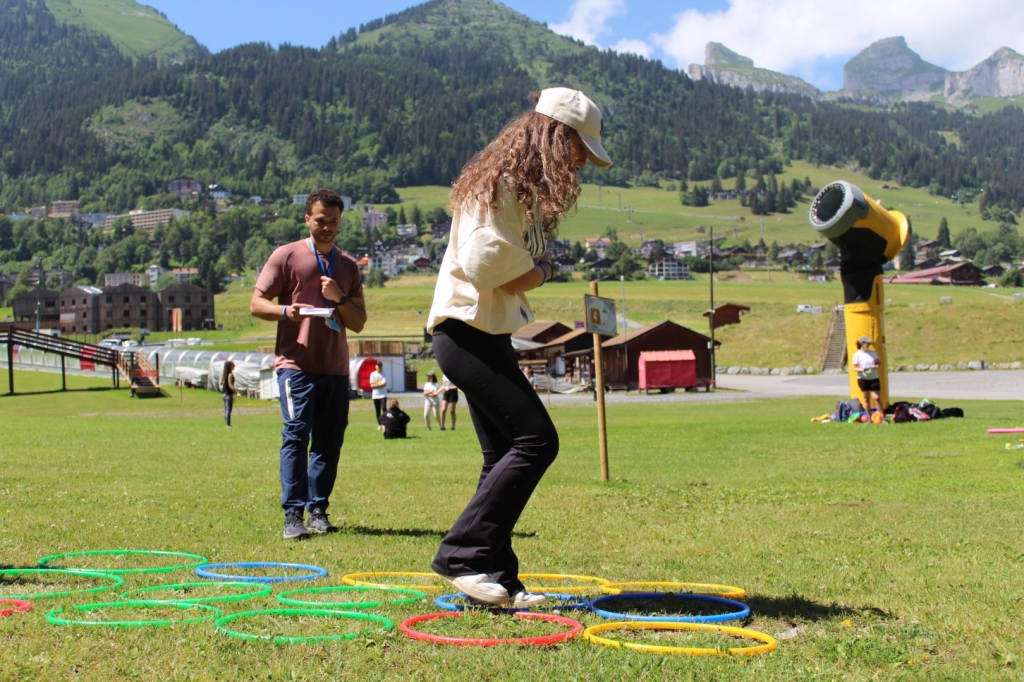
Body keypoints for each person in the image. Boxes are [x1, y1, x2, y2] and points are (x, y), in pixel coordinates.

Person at [426, 87, 611, 606]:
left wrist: (531, 271)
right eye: (579, 149)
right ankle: (462, 554)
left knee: (503, 454)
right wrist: (543, 271)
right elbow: (486, 264)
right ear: (557, 137)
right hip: (466, 332)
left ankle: (498, 579)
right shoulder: (502, 184)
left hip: (483, 333)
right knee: (537, 441)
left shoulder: (515, 186)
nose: (580, 163)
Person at [250, 188, 367, 540]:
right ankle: (292, 515)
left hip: (334, 366)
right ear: (307, 219)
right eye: (321, 220)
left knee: (329, 442)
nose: (327, 227)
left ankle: (318, 510)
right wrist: (286, 310)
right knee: (297, 433)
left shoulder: (346, 266)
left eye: (333, 221)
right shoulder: (286, 256)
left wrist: (339, 297)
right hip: (295, 363)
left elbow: (358, 321)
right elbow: (257, 303)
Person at [852, 335, 881, 418]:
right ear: (862, 343)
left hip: (874, 377)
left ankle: (882, 417)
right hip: (863, 379)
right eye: (866, 343)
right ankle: (869, 417)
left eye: (869, 343)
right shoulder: (857, 355)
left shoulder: (873, 353)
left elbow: (879, 363)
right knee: (866, 398)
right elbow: (854, 367)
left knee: (877, 397)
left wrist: (876, 366)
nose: (868, 345)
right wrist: (862, 369)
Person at [369, 361, 388, 431]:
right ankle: (379, 424)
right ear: (376, 366)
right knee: (377, 410)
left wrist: (376, 384)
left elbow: (384, 385)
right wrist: (379, 385)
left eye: (380, 366)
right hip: (375, 395)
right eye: (378, 366)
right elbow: (371, 385)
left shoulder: (384, 374)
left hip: (383, 394)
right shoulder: (373, 374)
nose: (379, 367)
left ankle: (386, 422)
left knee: (384, 408)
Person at [220, 360, 237, 428]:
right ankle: (228, 425)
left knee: (226, 409)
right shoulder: (230, 375)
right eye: (233, 365)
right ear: (230, 366)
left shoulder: (224, 374)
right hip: (228, 395)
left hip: (224, 394)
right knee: (228, 410)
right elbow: (231, 386)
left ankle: (227, 422)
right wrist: (237, 393)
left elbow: (221, 383)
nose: (234, 366)